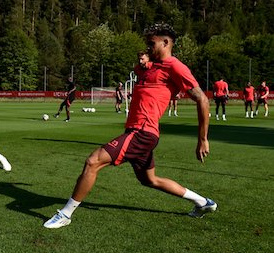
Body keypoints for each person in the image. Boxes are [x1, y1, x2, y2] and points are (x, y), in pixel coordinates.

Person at [44, 23, 216, 229]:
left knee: (93, 161)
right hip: (138, 131)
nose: (148, 49)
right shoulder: (148, 67)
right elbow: (144, 67)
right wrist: (144, 63)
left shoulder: (175, 67)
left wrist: (203, 139)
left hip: (143, 131)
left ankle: (65, 214)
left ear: (166, 42)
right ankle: (203, 202)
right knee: (150, 180)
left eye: (151, 44)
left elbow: (203, 100)